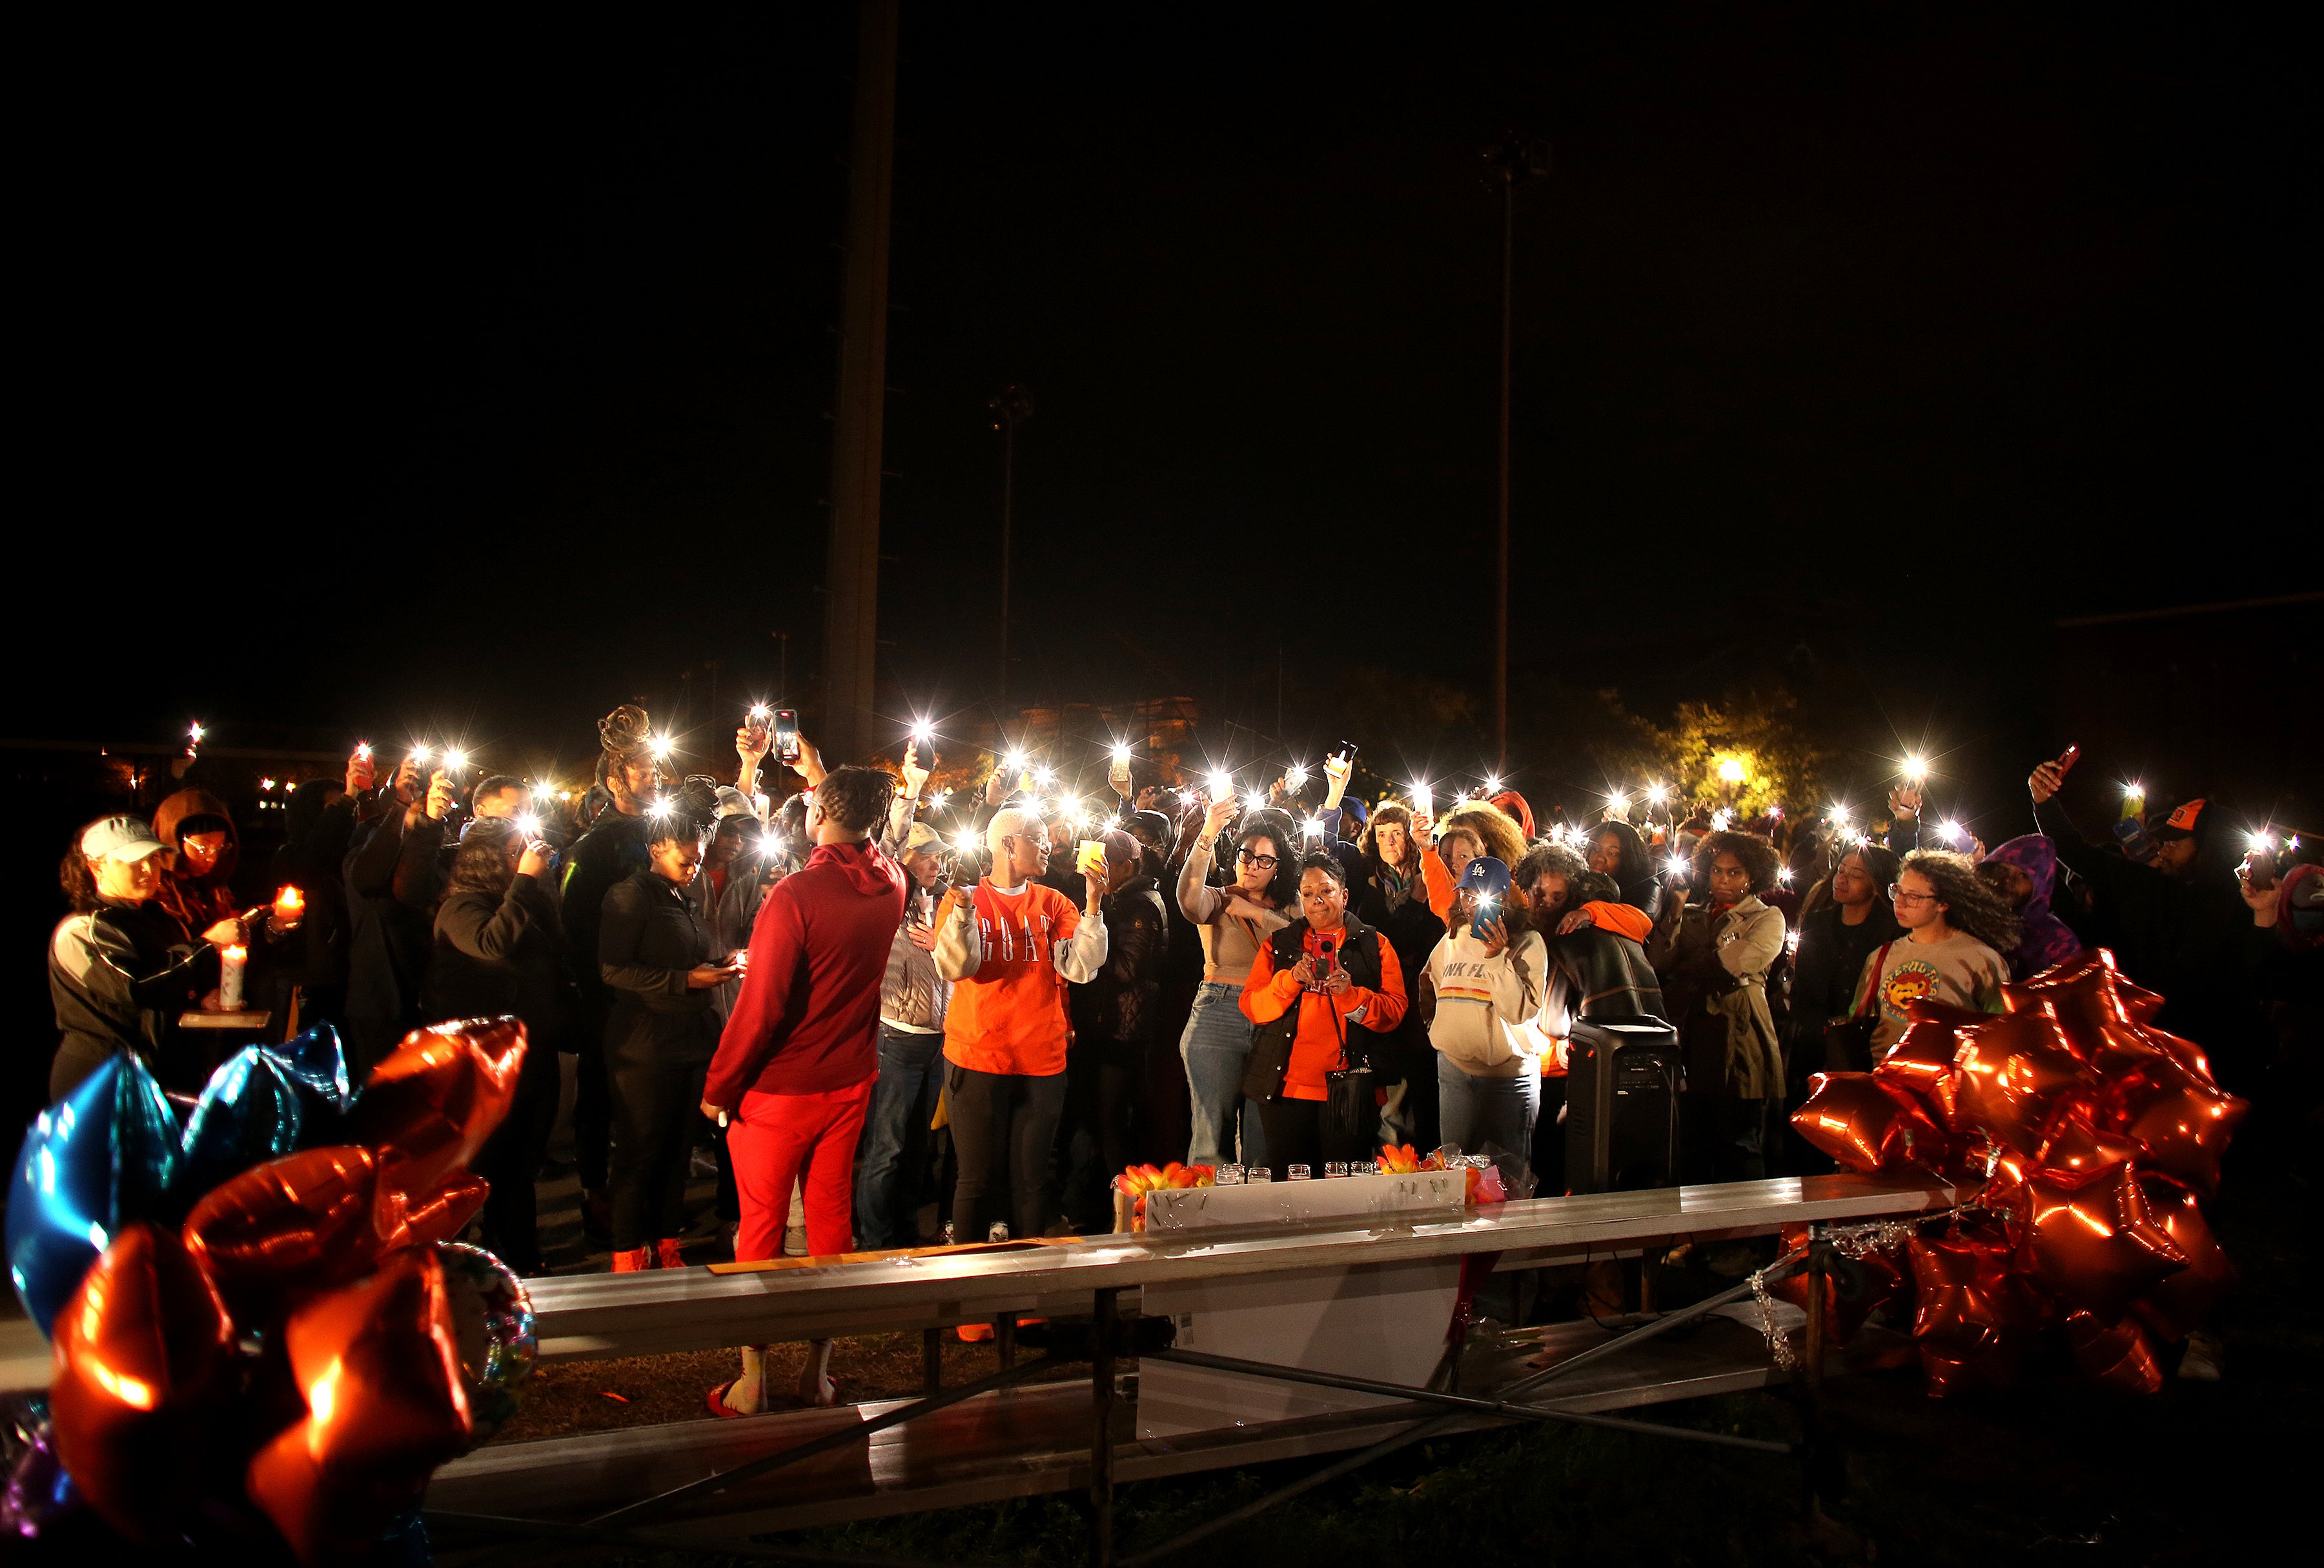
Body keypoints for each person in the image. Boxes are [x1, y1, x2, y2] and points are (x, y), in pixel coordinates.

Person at [702, 766, 904, 1415]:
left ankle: (752, 1379)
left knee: (759, 1230)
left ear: (816, 808)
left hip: (779, 1089)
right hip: (848, 1077)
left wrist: (720, 1083)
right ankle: (817, 1372)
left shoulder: (795, 894)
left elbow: (759, 1008)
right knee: (829, 1224)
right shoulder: (893, 880)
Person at [933, 803, 1109, 1243]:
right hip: (976, 1056)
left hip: (1041, 1061)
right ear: (1008, 844)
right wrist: (963, 913)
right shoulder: (962, 899)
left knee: (1031, 1182)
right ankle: (970, 1296)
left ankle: (1026, 1296)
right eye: (1038, 836)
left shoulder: (1055, 902)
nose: (1049, 842)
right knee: (975, 1181)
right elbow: (958, 965)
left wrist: (1093, 904)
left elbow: (1081, 967)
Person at [425, 817, 569, 1275]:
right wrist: (525, 880)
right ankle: (453, 1265)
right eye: (512, 852)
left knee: (521, 1167)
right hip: (485, 1063)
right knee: (482, 1167)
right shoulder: (461, 907)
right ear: (488, 859)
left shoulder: (525, 901)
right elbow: (491, 942)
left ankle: (520, 1260)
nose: (523, 857)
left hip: (530, 1056)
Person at [598, 813, 741, 1272]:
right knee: (641, 1150)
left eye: (699, 856)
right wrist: (685, 980)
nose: (696, 863)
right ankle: (627, 1249)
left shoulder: (684, 898)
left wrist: (722, 962)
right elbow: (614, 968)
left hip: (691, 1041)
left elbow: (687, 958)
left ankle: (666, 1240)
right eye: (687, 854)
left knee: (679, 1149)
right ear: (657, 847)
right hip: (645, 1045)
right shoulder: (631, 895)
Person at [557, 704, 673, 1241]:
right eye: (643, 772)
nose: (654, 780)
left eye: (656, 770)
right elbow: (574, 927)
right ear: (613, 779)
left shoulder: (662, 832)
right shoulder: (593, 846)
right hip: (610, 997)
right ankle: (595, 1196)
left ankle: (645, 1200)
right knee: (602, 1099)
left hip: (658, 995)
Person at [1238, 852, 1409, 1173]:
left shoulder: (1375, 945)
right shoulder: (1279, 945)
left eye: (1326, 891)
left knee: (1342, 1192)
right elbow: (1253, 1008)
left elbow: (1394, 1012)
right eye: (1307, 894)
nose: (1317, 900)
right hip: (1286, 1089)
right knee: (1292, 1193)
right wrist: (1290, 980)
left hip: (1350, 1092)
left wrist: (1350, 995)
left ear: (1344, 895)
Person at [49, 815, 242, 1097]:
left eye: (153, 859)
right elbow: (135, 987)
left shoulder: (163, 921)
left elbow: (173, 985)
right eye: (132, 861)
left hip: (155, 1079)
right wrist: (207, 944)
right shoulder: (82, 930)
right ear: (96, 867)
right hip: (98, 1083)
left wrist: (200, 1001)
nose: (147, 869)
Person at [1649, 831, 1786, 1184]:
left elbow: (1735, 963)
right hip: (1692, 1039)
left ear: (1752, 875)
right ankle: (1695, 1233)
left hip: (1739, 1035)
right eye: (1716, 870)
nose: (1723, 880)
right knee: (1691, 1144)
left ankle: (1745, 1234)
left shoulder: (1767, 917)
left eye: (1734, 872)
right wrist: (1676, 912)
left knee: (1738, 1144)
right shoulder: (1693, 914)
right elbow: (1658, 961)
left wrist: (1686, 969)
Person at [1174, 793, 1296, 1169]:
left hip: (1273, 1014)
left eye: (1264, 860)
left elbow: (1300, 945)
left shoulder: (1290, 907)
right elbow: (1188, 901)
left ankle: (1257, 1221)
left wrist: (1253, 913)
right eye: (1246, 855)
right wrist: (1208, 832)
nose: (1252, 866)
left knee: (1264, 1139)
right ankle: (1204, 1222)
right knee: (1212, 1136)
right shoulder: (1217, 898)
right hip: (1218, 1012)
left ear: (1278, 868)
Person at [1061, 828, 1169, 1228]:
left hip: (1121, 1029)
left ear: (1127, 865)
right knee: (1097, 1121)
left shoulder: (1139, 905)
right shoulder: (1120, 900)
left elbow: (1126, 969)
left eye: (1105, 861)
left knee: (1109, 1124)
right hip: (1110, 1025)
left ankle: (1124, 1211)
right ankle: (1090, 1207)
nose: (1096, 869)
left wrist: (1086, 951)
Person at [855, 820, 952, 1250]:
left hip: (936, 1041)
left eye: (939, 853)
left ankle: (906, 1232)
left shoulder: (947, 901)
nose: (936, 861)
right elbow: (886, 846)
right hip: (896, 1038)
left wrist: (943, 943)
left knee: (917, 1149)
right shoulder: (888, 898)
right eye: (926, 853)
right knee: (887, 1148)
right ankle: (875, 1240)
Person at [1417, 856, 1545, 1177]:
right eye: (1466, 894)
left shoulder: (1528, 943)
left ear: (1503, 899)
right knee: (1455, 1178)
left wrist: (1496, 957)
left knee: (1505, 1180)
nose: (1472, 904)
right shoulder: (1452, 938)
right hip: (1455, 1072)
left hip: (1507, 1080)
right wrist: (1440, 1031)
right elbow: (1429, 985)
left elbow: (1518, 1012)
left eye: (1483, 896)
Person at [343, 755, 456, 1074]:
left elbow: (418, 888)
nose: (423, 803)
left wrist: (431, 826)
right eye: (416, 796)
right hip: (381, 1002)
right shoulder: (365, 845)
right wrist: (402, 805)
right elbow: (369, 878)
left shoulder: (438, 851)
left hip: (430, 1001)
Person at [1354, 801, 1451, 1152]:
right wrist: (1413, 909)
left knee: (1427, 1092)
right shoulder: (1369, 884)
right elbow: (1378, 942)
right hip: (1387, 1001)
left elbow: (1435, 934)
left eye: (1397, 834)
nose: (1390, 842)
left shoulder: (1430, 877)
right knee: (1391, 1094)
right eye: (1382, 835)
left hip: (1424, 1000)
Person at [1853, 849, 2015, 1054]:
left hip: (1948, 1080)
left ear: (1943, 903)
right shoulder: (1881, 956)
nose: (1899, 903)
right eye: (1897, 891)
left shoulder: (1980, 958)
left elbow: (2002, 1029)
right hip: (1885, 1077)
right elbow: (1857, 1017)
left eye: (1913, 896)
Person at [1786, 844, 1903, 1077]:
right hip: (1814, 1044)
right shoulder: (1818, 923)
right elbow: (1803, 985)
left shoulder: (1893, 933)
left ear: (1878, 886)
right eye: (1841, 870)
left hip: (1867, 1049)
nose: (1842, 879)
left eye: (1857, 876)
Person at [1977, 835, 2081, 980]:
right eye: (2003, 871)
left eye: (2023, 877)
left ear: (2040, 886)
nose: (2008, 881)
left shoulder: (2056, 940)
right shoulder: (1972, 922)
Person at [150, 788, 245, 943]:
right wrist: (211, 942)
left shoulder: (215, 887)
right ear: (174, 842)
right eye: (203, 848)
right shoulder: (155, 892)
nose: (212, 858)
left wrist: (270, 927)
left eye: (220, 848)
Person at [1585, 820, 1667, 925]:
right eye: (1596, 849)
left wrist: (1592, 913)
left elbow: (1641, 922)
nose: (1600, 858)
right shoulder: (1578, 880)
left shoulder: (1647, 886)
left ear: (1628, 858)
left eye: (1612, 853)